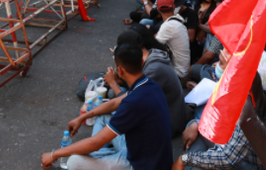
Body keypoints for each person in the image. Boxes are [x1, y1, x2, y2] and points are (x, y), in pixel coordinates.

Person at [45, 43, 173, 170]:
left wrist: (53, 154)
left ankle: (96, 157)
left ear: (120, 70)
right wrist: (81, 118)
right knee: (103, 117)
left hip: (141, 165)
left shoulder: (134, 102)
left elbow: (95, 143)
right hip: (144, 151)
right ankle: (97, 157)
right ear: (141, 62)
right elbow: (114, 103)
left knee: (74, 161)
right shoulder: (149, 84)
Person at [102, 29, 188, 138]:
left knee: (107, 117)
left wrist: (113, 83)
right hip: (161, 113)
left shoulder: (154, 69)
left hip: (166, 125)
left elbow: (129, 102)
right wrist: (120, 81)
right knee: (111, 100)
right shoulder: (152, 54)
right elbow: (138, 86)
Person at [154, 0, 190, 80]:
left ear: (158, 10)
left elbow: (153, 45)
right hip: (183, 69)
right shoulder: (177, 20)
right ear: (174, 7)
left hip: (178, 72)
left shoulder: (168, 26)